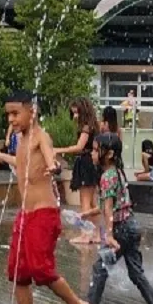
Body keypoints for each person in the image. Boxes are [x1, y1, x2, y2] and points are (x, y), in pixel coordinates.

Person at [0, 91, 93, 304]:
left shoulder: (42, 136)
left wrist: (54, 167)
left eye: (15, 113)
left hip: (44, 213)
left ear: (33, 112)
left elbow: (51, 159)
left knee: (42, 269)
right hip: (26, 214)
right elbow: (22, 164)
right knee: (18, 270)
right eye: (8, 114)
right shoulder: (21, 140)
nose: (11, 119)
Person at [81, 133, 153, 304]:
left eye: (97, 150)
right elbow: (115, 204)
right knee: (136, 274)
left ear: (110, 153)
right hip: (131, 226)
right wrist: (89, 212)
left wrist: (110, 236)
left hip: (121, 230)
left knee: (100, 270)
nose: (93, 153)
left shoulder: (107, 176)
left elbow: (108, 209)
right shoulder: (118, 172)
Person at [55, 97, 101, 244]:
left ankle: (85, 234)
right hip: (91, 163)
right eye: (73, 113)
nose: (75, 117)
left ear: (84, 112)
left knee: (85, 202)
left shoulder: (86, 127)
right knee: (93, 203)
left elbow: (79, 147)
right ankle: (97, 234)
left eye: (77, 113)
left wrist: (58, 149)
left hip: (85, 162)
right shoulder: (94, 125)